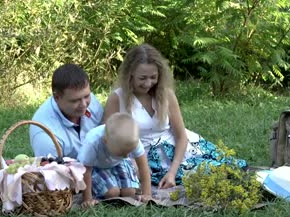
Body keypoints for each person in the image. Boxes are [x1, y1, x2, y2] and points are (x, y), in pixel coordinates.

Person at [103, 43, 247, 189]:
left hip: (176, 151)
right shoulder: (117, 98)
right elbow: (104, 138)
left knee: (229, 169)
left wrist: (173, 172)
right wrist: (127, 159)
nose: (148, 83)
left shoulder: (166, 95)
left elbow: (181, 136)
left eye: (153, 77)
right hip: (139, 156)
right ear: (130, 74)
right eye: (142, 78)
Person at [77, 113, 152, 208]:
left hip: (119, 163)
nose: (125, 156)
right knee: (112, 193)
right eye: (122, 152)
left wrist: (147, 194)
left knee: (129, 192)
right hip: (97, 166)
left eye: (128, 152)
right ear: (106, 141)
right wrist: (87, 199)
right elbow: (86, 171)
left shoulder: (131, 139)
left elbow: (143, 167)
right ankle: (106, 188)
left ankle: (120, 183)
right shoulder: (93, 142)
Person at [30, 63, 103, 159]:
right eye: (75, 100)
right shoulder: (45, 136)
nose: (84, 104)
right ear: (57, 98)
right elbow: (51, 172)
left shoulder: (90, 101)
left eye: (87, 96)